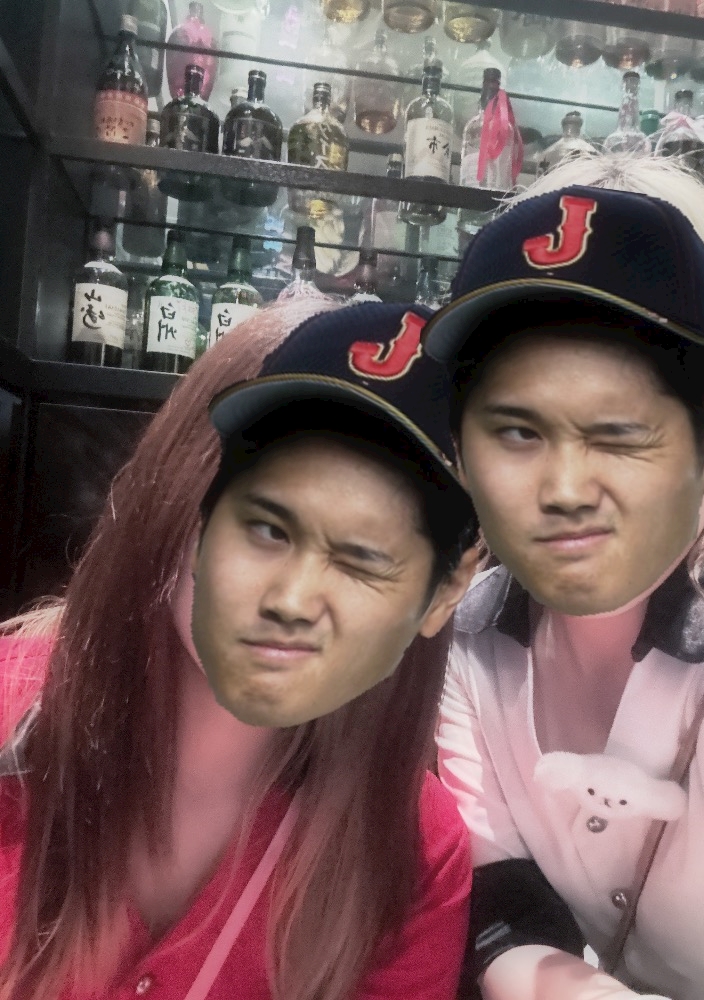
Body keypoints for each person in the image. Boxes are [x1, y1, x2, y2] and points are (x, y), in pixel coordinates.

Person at [0, 298, 481, 1000]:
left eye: (366, 554)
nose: (295, 599)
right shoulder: (14, 712)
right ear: (179, 495)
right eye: (267, 525)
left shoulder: (411, 852)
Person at [424, 153, 704, 1000]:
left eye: (621, 421)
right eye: (518, 427)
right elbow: (501, 907)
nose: (567, 488)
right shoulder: (471, 640)